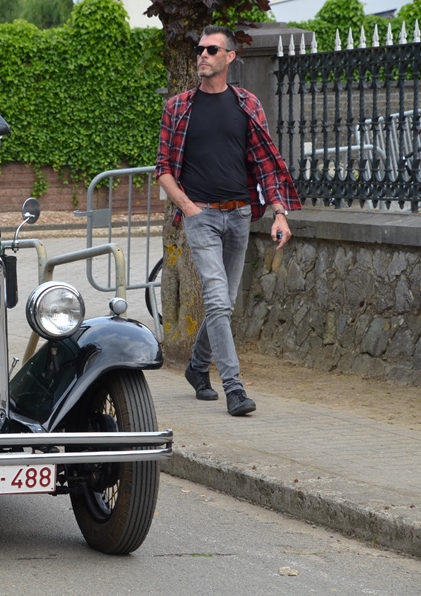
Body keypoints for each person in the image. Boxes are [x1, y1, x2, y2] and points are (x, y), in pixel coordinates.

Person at [155, 25, 301, 417]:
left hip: (239, 214)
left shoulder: (247, 104)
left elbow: (267, 163)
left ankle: (197, 366)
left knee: (225, 304)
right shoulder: (178, 107)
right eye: (199, 49)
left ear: (229, 57)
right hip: (200, 216)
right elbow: (163, 168)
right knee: (218, 299)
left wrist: (279, 213)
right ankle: (234, 388)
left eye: (211, 49)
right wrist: (188, 208)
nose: (202, 55)